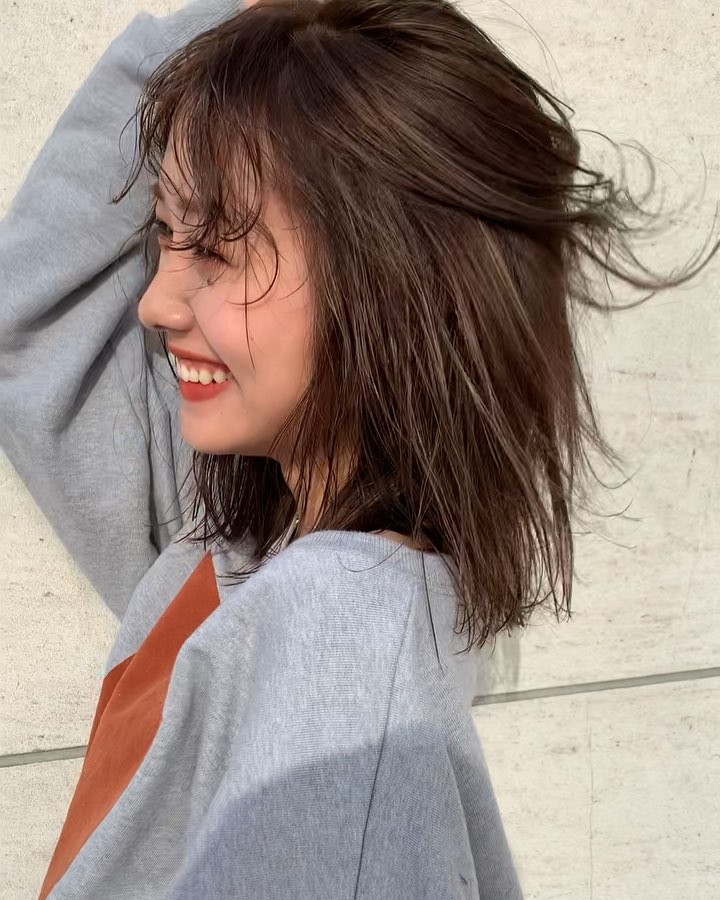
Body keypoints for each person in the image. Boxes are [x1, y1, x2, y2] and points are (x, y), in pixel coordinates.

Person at [0, 1, 715, 898]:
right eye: (164, 235)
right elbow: (28, 321)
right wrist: (258, 23)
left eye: (214, 246)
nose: (156, 301)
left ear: (389, 273)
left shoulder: (334, 636)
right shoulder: (237, 540)